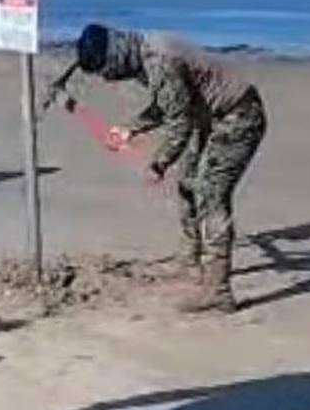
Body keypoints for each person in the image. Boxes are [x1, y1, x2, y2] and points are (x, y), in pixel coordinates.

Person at [73, 24, 266, 314]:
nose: (107, 78)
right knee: (188, 183)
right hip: (210, 116)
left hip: (239, 116)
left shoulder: (158, 59)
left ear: (114, 56)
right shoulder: (145, 48)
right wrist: (131, 129)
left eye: (105, 70)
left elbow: (179, 120)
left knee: (211, 194)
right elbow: (172, 102)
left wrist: (159, 163)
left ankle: (219, 290)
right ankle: (191, 263)